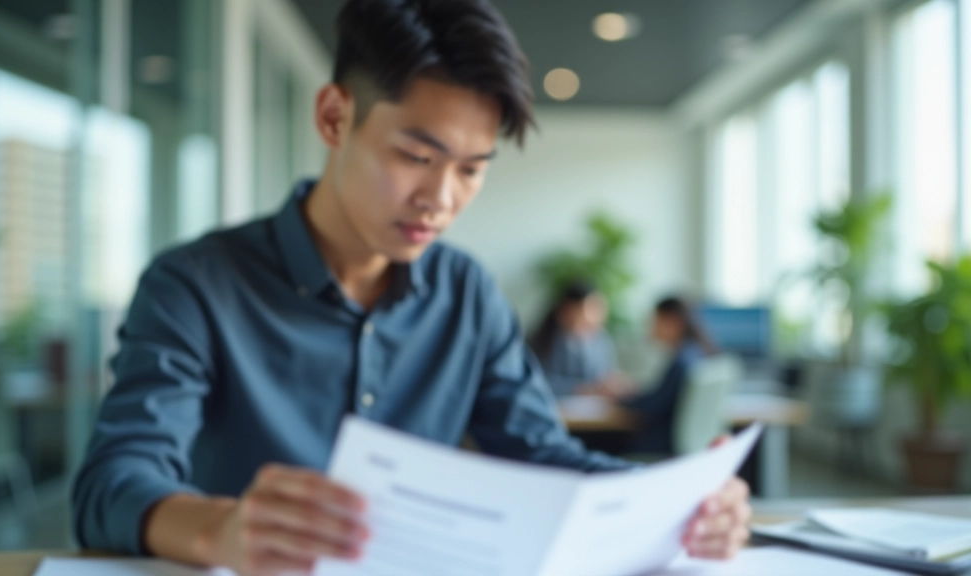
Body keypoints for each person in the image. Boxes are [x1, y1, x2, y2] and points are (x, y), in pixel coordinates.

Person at [71, 1, 751, 574]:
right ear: (335, 118)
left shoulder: (466, 293)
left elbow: (543, 456)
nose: (440, 199)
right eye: (416, 157)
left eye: (471, 169)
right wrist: (218, 529)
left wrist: (676, 501)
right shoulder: (195, 285)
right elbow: (111, 486)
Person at [593, 296, 719, 454]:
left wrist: (618, 398)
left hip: (660, 446)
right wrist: (633, 390)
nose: (650, 328)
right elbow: (662, 397)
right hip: (685, 445)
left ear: (672, 321)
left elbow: (651, 408)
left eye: (654, 321)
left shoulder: (682, 363)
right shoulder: (695, 355)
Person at [529, 280, 629, 397]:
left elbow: (603, 374)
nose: (596, 317)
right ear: (567, 310)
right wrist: (581, 389)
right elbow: (537, 381)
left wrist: (612, 383)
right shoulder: (542, 339)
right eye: (590, 309)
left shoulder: (601, 339)